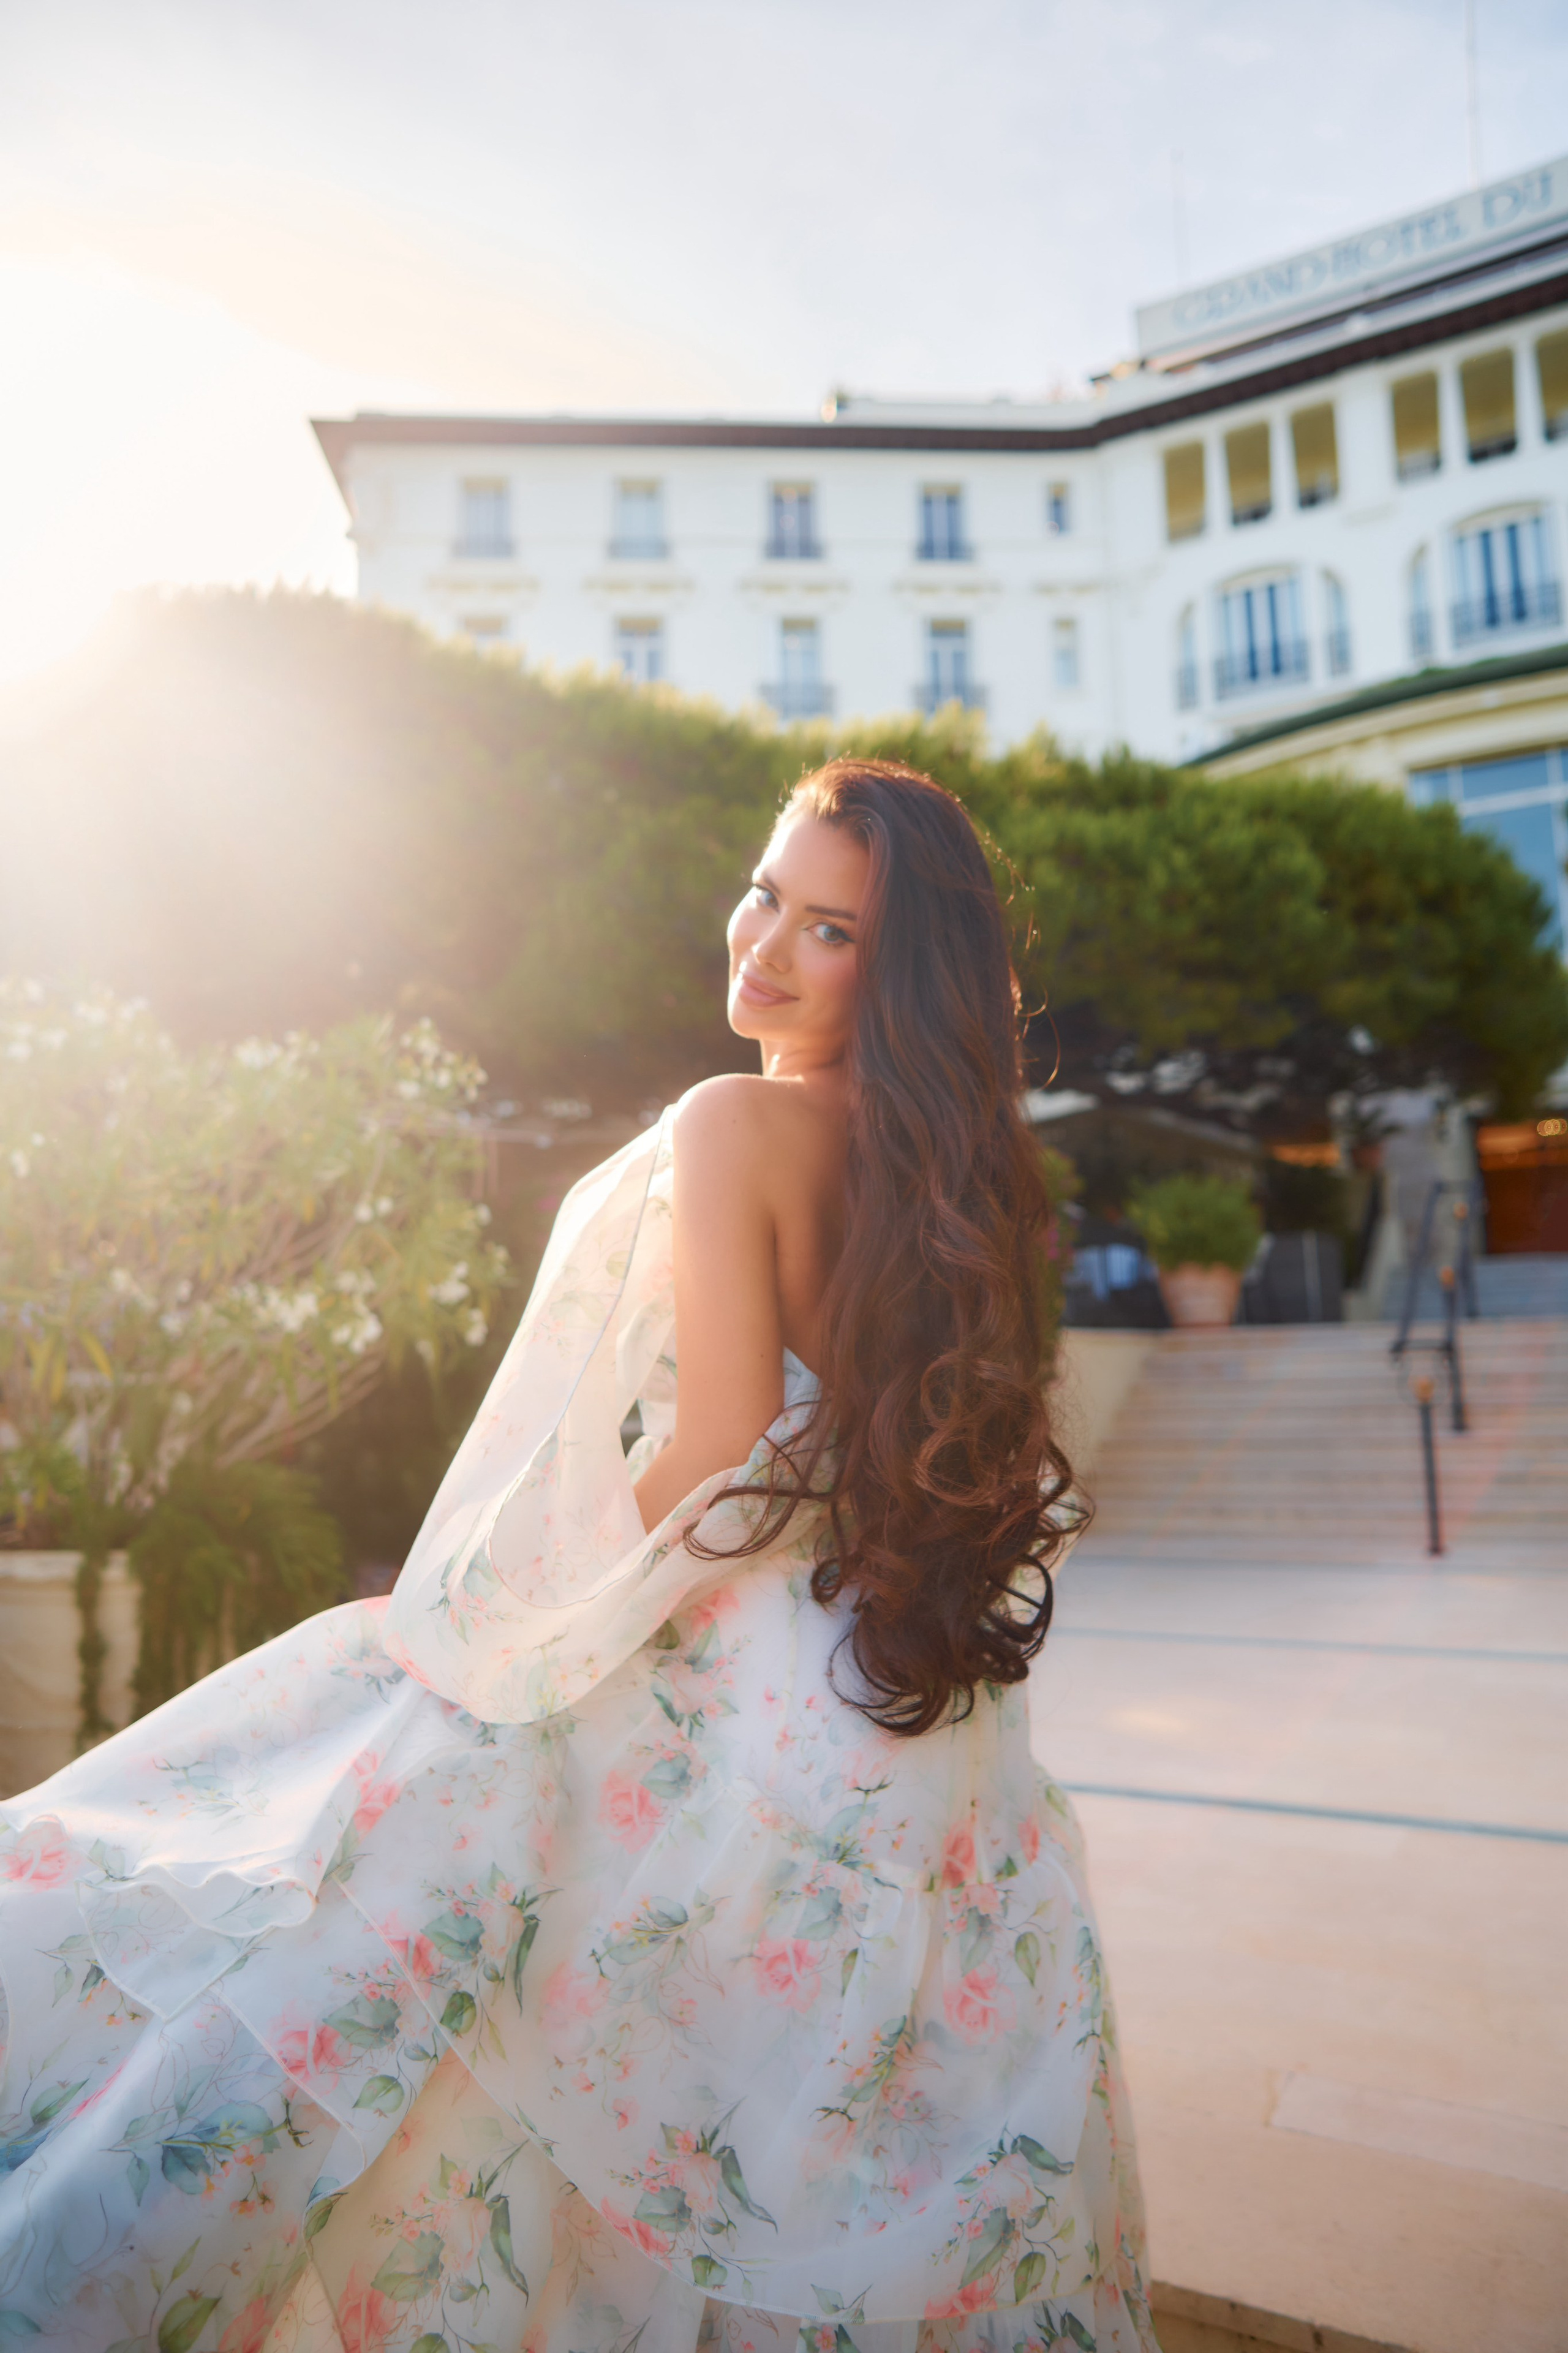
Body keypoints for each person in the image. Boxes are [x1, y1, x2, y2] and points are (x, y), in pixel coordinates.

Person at [0, 760, 1155, 2353]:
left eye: (830, 930)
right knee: (748, 2146)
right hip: (911, 1729)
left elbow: (721, 1453)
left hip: (726, 1686)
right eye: (765, 893)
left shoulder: (736, 1122)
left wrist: (516, 1615)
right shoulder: (960, 1178)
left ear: (895, 972)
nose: (766, 943)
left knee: (358, 1943)